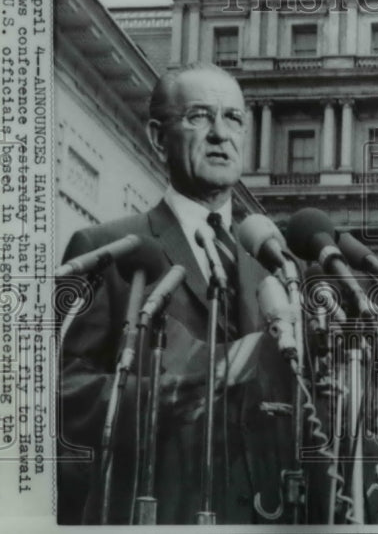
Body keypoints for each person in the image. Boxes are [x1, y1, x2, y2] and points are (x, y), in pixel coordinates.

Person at [57, 64, 295, 524]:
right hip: (155, 514)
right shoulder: (109, 249)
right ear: (158, 136)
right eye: (199, 117)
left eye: (233, 119)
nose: (220, 135)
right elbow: (59, 393)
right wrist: (157, 400)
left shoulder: (269, 266)